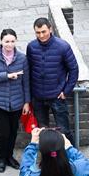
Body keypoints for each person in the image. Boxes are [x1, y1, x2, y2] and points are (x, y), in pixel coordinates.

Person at [0, 29, 31, 173]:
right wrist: (7, 76)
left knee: (13, 131)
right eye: (6, 41)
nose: (9, 44)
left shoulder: (22, 58)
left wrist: (27, 102)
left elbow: (26, 82)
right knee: (3, 132)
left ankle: (10, 156)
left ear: (16, 41)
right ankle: (2, 158)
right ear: (1, 41)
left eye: (12, 41)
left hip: (17, 102)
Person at [27, 18, 79, 146]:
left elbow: (73, 69)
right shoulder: (31, 47)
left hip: (57, 97)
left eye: (44, 31)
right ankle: (47, 156)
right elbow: (29, 70)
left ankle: (73, 155)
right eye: (38, 32)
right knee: (42, 132)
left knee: (64, 131)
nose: (41, 35)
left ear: (50, 29)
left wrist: (66, 91)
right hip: (38, 97)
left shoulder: (63, 46)